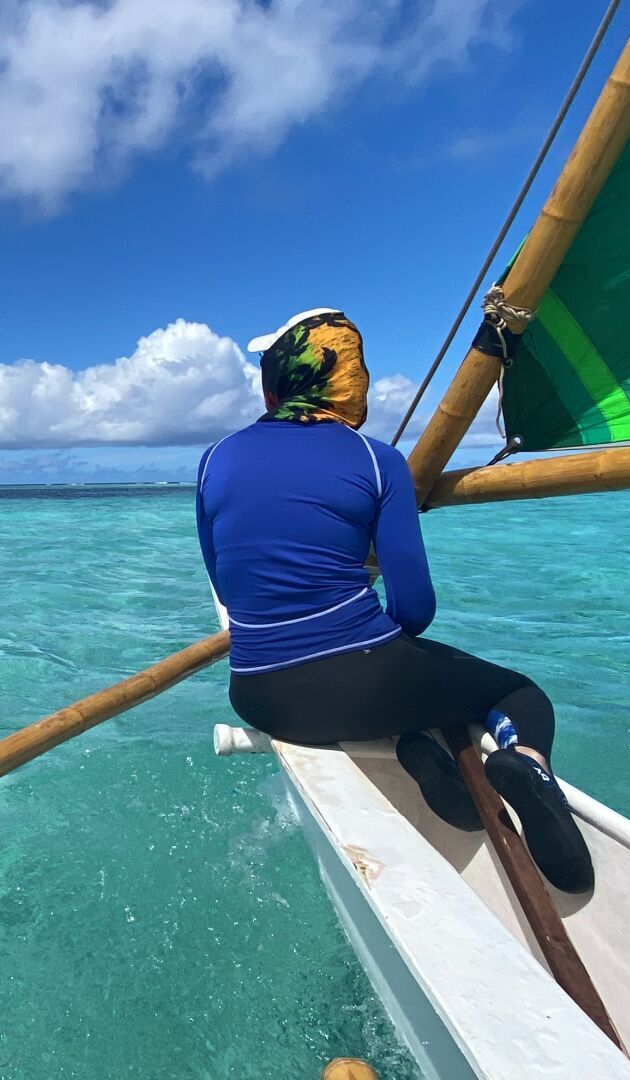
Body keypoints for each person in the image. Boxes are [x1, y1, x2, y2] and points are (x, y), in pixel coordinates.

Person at [196, 308, 592, 892]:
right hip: (369, 689)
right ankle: (525, 761)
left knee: (398, 685)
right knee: (516, 691)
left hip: (257, 696)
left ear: (273, 382)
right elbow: (415, 608)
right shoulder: (377, 461)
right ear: (352, 381)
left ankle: (417, 749)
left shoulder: (213, 459)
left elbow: (228, 588)